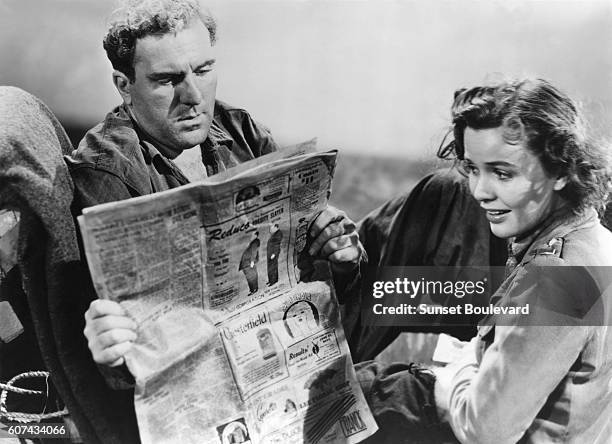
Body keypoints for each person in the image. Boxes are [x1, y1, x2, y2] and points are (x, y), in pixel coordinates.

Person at [79, 1, 362, 442]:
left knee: (435, 205)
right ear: (124, 85)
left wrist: (339, 253)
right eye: (167, 80)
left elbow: (305, 268)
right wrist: (109, 345)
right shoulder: (105, 172)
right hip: (201, 397)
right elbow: (120, 348)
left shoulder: (241, 128)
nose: (193, 96)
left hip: (286, 359)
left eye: (204, 69)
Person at [357, 78, 612, 443]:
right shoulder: (594, 239)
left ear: (558, 171)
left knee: (379, 394)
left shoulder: (553, 280)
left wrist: (451, 372)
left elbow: (484, 431)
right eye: (473, 169)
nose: (480, 192)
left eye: (502, 173)